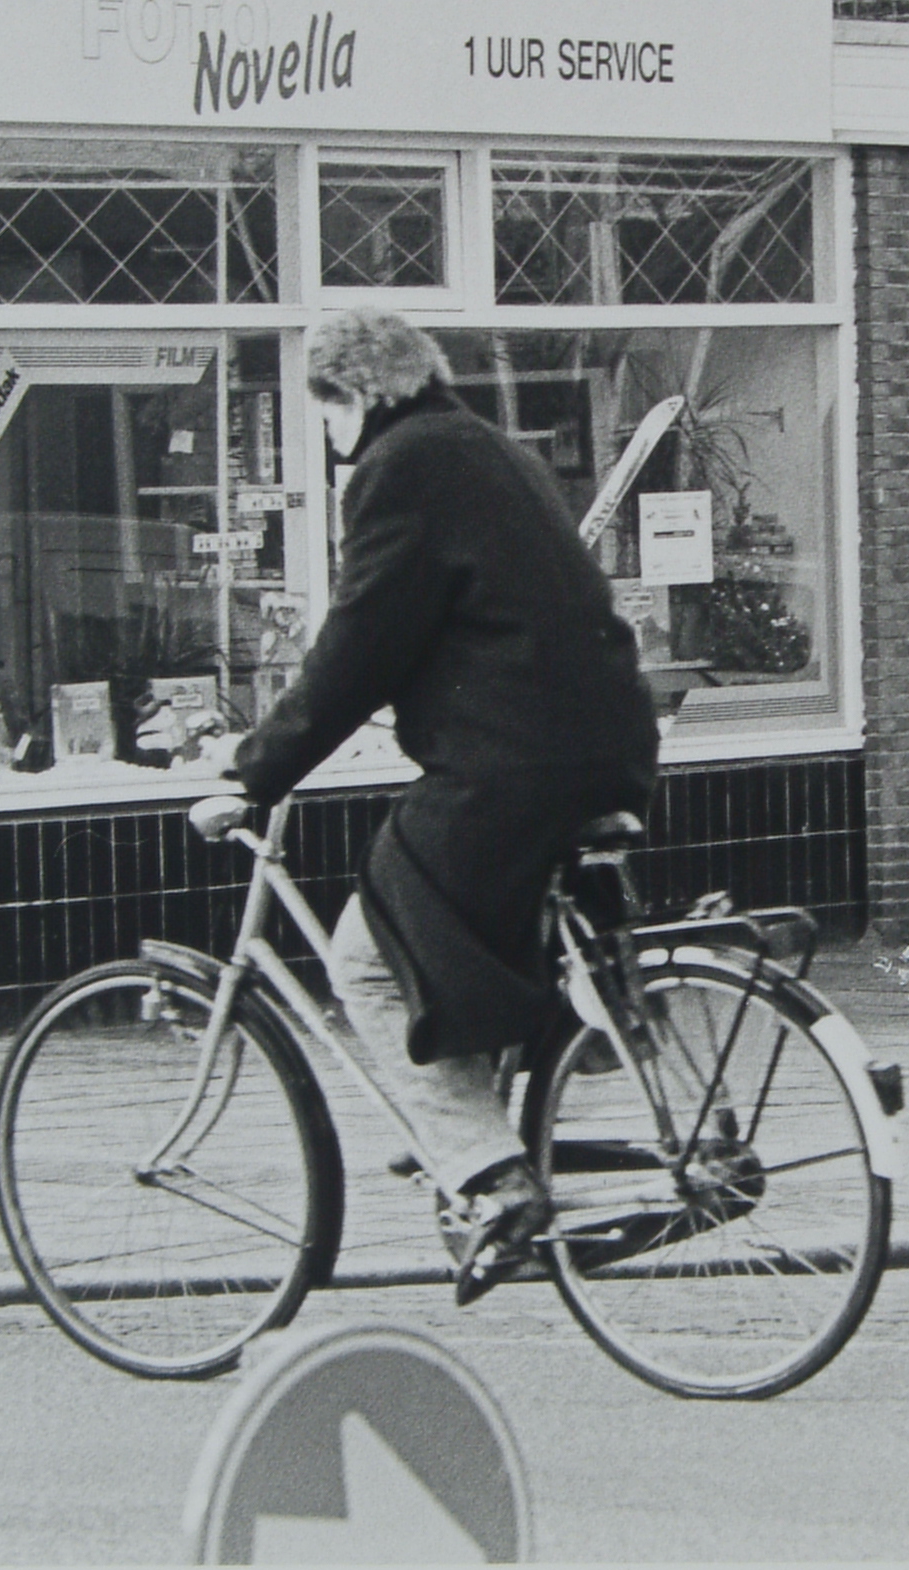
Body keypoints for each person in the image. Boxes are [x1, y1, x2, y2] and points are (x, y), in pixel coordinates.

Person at [206, 308, 660, 1302]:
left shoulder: (400, 464)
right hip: (610, 743)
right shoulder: (490, 448)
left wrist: (256, 770)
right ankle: (488, 1121)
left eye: (326, 410)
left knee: (368, 959)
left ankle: (491, 1178)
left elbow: (361, 641)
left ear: (356, 394)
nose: (330, 437)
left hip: (512, 763)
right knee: (470, 930)